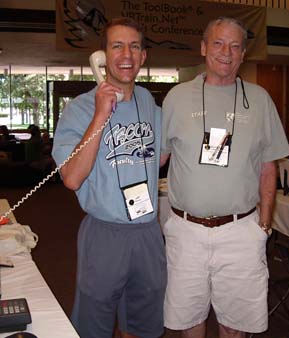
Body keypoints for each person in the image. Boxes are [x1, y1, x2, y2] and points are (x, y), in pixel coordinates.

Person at [160, 17, 289, 337]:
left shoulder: (260, 100)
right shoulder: (176, 97)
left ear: (244, 54)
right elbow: (156, 160)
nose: (226, 52)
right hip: (186, 231)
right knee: (190, 321)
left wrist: (264, 224)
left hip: (240, 232)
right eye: (218, 43)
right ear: (204, 48)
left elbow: (268, 167)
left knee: (237, 324)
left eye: (235, 46)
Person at [52, 17, 166, 338]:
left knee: (144, 324)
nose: (126, 54)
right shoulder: (79, 109)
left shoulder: (149, 102)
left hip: (147, 232)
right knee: (95, 325)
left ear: (143, 56)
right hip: (104, 234)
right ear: (103, 55)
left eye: (134, 46)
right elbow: (72, 178)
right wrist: (101, 113)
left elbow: (163, 154)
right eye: (117, 46)